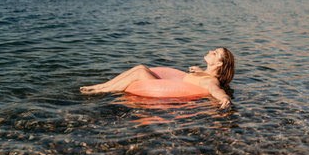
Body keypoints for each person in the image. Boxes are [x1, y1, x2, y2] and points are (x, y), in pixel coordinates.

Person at [80, 48, 235, 108]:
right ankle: (101, 86)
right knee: (141, 68)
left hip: (164, 90)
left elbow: (215, 89)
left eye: (214, 53)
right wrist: (200, 70)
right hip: (169, 83)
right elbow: (205, 78)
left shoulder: (211, 81)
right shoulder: (205, 74)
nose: (210, 51)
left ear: (219, 63)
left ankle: (101, 90)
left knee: (140, 72)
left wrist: (224, 98)